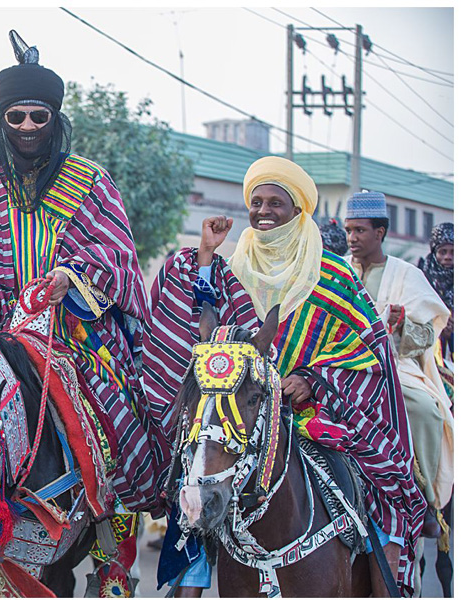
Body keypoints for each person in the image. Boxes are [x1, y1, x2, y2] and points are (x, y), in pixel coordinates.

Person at [0, 31, 157, 590]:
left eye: (37, 116)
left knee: (113, 418)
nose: (26, 127)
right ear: (2, 123)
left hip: (73, 334)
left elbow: (118, 260)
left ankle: (111, 540)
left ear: (55, 121)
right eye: (16, 117)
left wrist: (71, 276)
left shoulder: (91, 183)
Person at [143, 157, 425, 596]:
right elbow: (197, 312)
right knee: (193, 475)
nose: (264, 210)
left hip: (316, 413)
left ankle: (385, 570)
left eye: (276, 201)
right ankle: (190, 579)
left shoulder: (333, 274)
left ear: (299, 212)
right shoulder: (233, 266)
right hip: (242, 414)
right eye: (256, 201)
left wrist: (313, 378)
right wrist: (205, 252)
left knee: (373, 475)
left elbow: (369, 353)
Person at [345, 193, 453, 540]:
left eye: (360, 230)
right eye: (349, 230)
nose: (352, 238)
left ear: (381, 232)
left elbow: (427, 335)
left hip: (394, 366)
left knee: (426, 410)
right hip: (340, 367)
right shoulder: (336, 271)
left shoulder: (408, 275)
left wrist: (403, 323)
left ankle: (429, 502)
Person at [418, 222, 453, 397]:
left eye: (453, 252)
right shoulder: (421, 277)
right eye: (442, 252)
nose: (448, 257)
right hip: (429, 353)